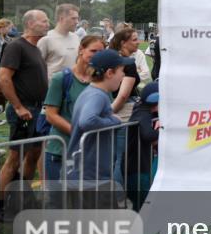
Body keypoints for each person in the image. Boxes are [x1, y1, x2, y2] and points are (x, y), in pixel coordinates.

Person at [0, 10, 50, 198]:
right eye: (43, 21)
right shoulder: (16, 46)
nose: (47, 24)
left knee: (34, 154)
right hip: (24, 110)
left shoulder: (34, 48)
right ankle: (0, 203)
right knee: (15, 158)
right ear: (29, 24)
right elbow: (4, 78)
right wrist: (19, 107)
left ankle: (22, 197)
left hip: (37, 109)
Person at [41, 35, 106, 181]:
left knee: (82, 200)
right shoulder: (62, 78)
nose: (97, 56)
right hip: (60, 150)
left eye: (101, 52)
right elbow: (50, 115)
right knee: (58, 200)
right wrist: (77, 133)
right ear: (81, 50)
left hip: (89, 152)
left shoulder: (101, 81)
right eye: (93, 51)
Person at [66, 49, 129, 182]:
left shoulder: (92, 92)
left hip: (87, 171)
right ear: (110, 73)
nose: (123, 76)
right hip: (90, 173)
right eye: (121, 71)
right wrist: (114, 121)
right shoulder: (97, 95)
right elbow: (87, 121)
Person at [109, 28, 141, 185]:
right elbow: (123, 95)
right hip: (123, 112)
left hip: (112, 108)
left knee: (113, 156)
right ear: (123, 42)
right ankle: (119, 196)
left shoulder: (112, 59)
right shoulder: (128, 64)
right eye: (134, 39)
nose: (138, 42)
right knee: (120, 157)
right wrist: (109, 112)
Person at [126, 81, 159, 210]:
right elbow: (148, 135)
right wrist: (163, 130)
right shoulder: (142, 113)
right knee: (144, 206)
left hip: (139, 167)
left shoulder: (144, 110)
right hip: (138, 169)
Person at [37, 3, 81, 77]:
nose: (77, 22)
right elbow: (36, 68)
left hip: (72, 86)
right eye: (73, 18)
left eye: (77, 18)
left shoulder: (76, 38)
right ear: (61, 19)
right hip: (51, 87)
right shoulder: (46, 39)